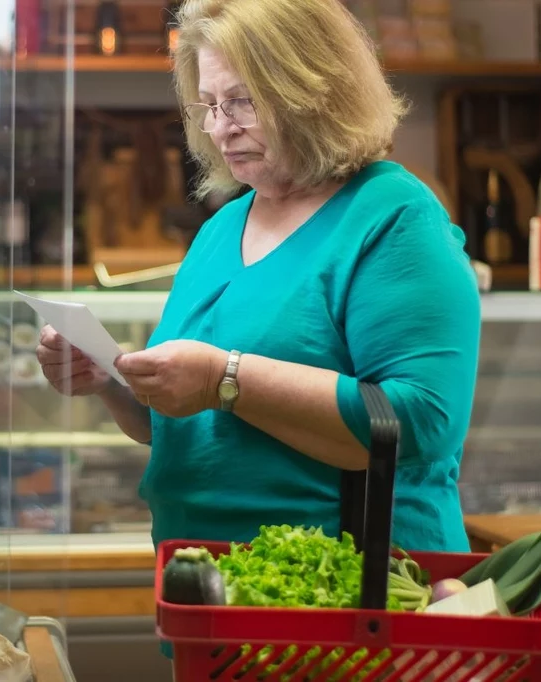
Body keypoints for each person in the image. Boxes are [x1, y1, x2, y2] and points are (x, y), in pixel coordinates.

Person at [36, 0, 480, 556]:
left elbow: (420, 421)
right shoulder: (222, 229)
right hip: (208, 591)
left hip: (348, 595)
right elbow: (182, 423)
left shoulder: (392, 216)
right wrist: (112, 380)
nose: (221, 128)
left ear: (314, 88)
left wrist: (225, 377)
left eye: (241, 101)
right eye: (209, 105)